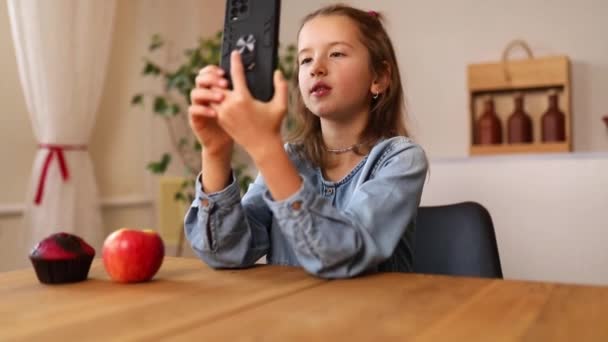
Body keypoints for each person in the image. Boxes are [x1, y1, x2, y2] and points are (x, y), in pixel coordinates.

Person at [184, 4, 428, 278]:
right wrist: (216, 151)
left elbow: (342, 255)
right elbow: (226, 252)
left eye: (336, 53)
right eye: (306, 60)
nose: (317, 69)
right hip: (293, 315)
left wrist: (266, 148)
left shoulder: (401, 159)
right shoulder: (291, 158)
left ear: (379, 78)